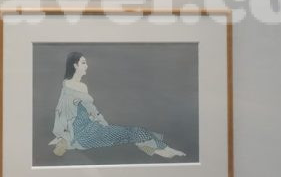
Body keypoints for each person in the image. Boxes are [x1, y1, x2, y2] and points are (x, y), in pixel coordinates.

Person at [50, 52, 185, 159]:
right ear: (75, 65)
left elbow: (91, 111)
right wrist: (65, 137)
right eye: (83, 63)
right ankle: (164, 150)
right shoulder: (71, 87)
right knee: (135, 132)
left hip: (93, 130)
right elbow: (63, 113)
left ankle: (163, 148)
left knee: (134, 132)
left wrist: (103, 124)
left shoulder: (77, 86)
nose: (87, 66)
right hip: (85, 136)